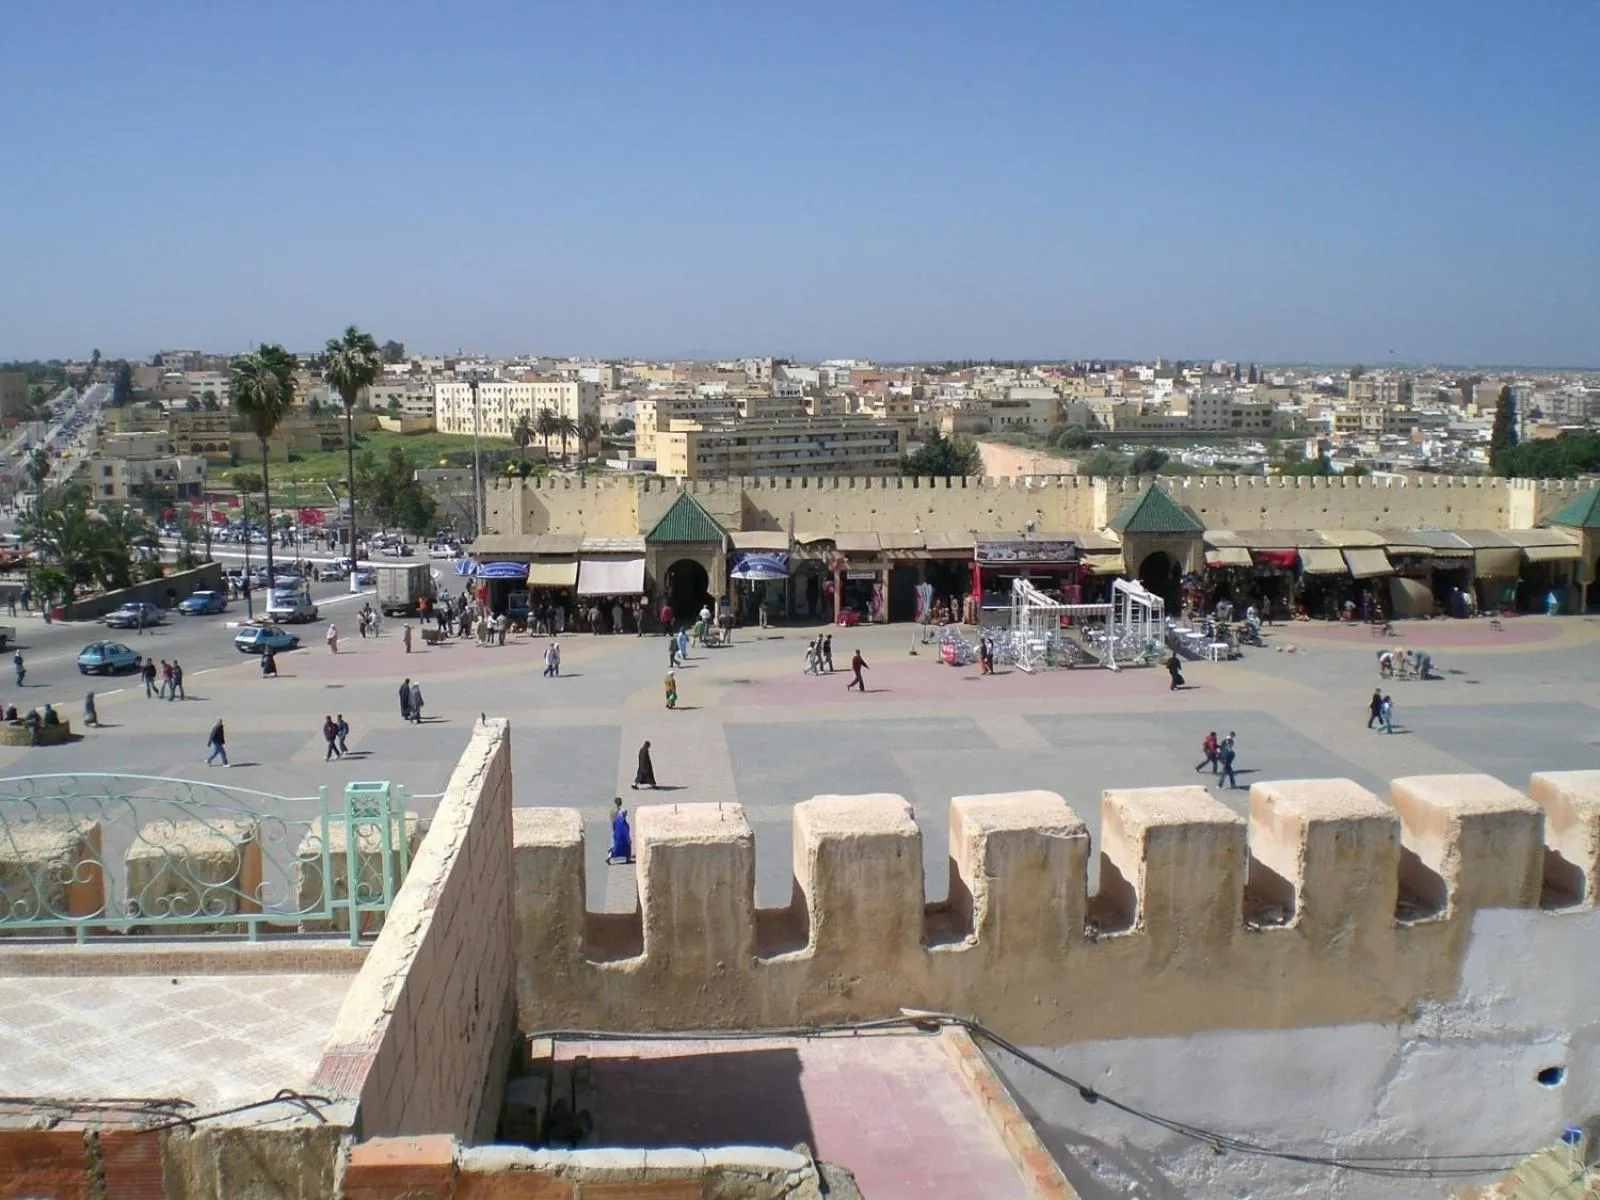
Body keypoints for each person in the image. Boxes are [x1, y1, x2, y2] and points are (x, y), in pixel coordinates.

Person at [607, 798, 634, 864]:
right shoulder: (621, 812)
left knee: (614, 843)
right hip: (619, 828)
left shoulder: (612, 811)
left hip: (615, 827)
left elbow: (611, 819)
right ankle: (627, 858)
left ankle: (610, 857)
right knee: (625, 845)